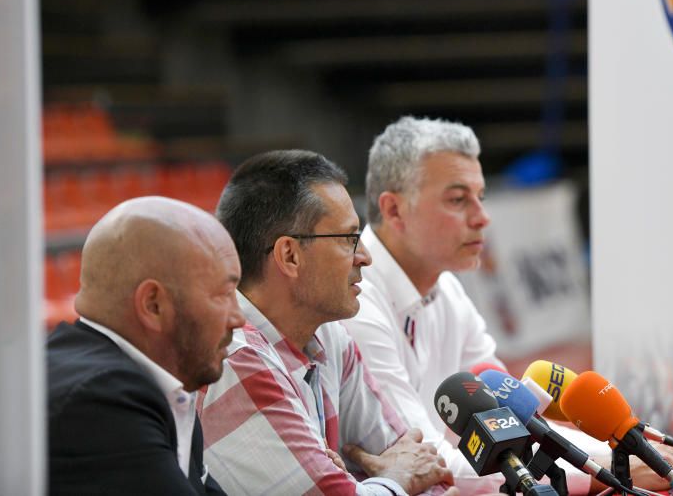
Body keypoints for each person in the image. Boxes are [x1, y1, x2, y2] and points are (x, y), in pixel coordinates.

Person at [342, 116, 673, 494]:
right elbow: (426, 461)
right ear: (393, 210)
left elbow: (516, 423)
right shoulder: (354, 303)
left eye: (480, 197)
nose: (482, 218)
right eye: (458, 200)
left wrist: (624, 451)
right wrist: (601, 470)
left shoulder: (448, 290)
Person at [199, 149, 455, 496]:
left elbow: (423, 466)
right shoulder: (235, 356)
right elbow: (404, 472)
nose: (364, 257)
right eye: (349, 239)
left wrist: (373, 483)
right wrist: (394, 480)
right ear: (290, 255)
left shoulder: (330, 336)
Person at [46, 196, 244, 495]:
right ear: (153, 305)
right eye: (223, 294)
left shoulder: (151, 386)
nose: (238, 318)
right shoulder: (101, 403)